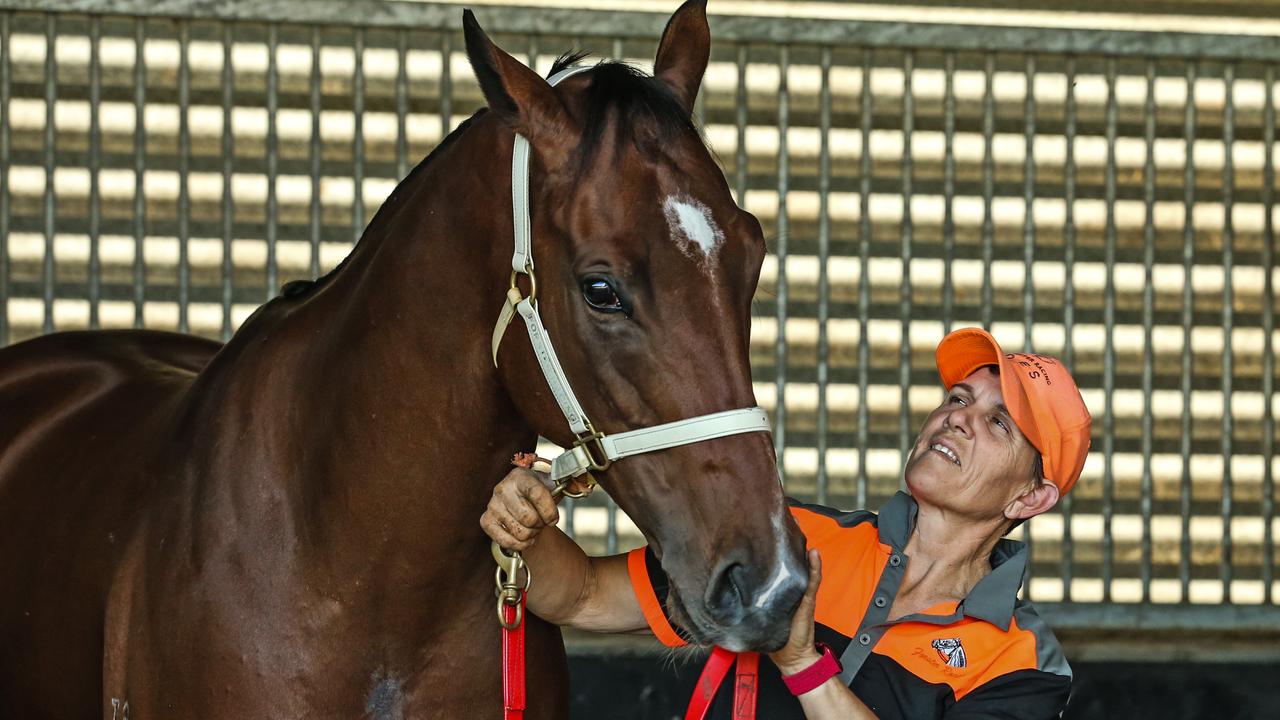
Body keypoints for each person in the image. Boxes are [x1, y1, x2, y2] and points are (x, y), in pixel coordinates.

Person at [481, 327, 1092, 719]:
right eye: (958, 398)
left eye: (998, 423)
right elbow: (585, 596)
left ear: (1030, 499)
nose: (958, 419)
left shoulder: (1022, 661)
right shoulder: (795, 537)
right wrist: (526, 534)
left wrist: (803, 665)